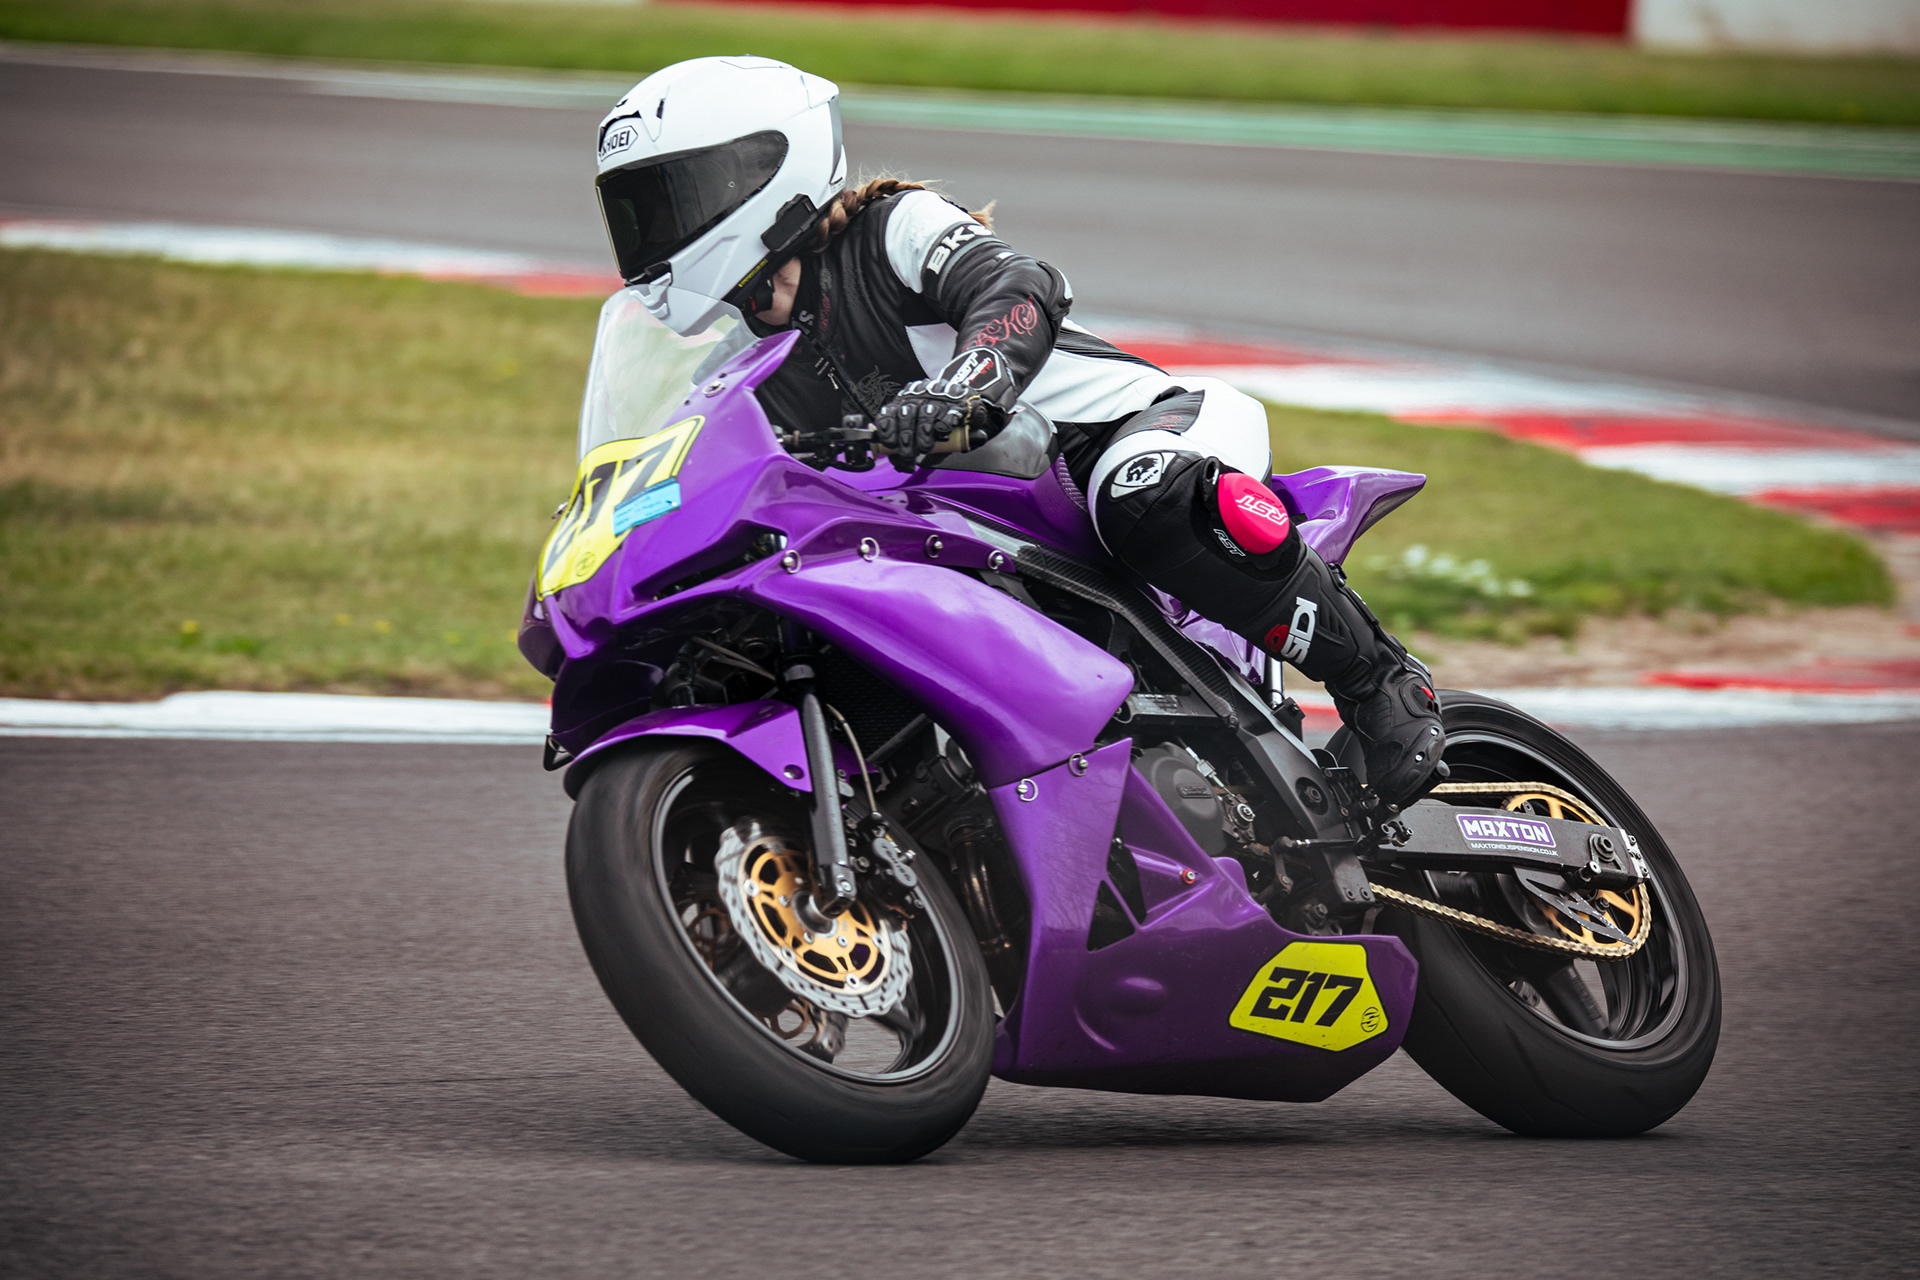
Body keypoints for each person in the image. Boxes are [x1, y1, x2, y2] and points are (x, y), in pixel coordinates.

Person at [592, 56, 1445, 805]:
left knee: (1140, 493)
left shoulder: (893, 228)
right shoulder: (742, 364)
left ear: (766, 171)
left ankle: (1378, 679)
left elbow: (1021, 287)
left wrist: (969, 385)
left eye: (674, 200)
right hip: (977, 527)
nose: (657, 233)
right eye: (637, 214)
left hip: (1121, 437)